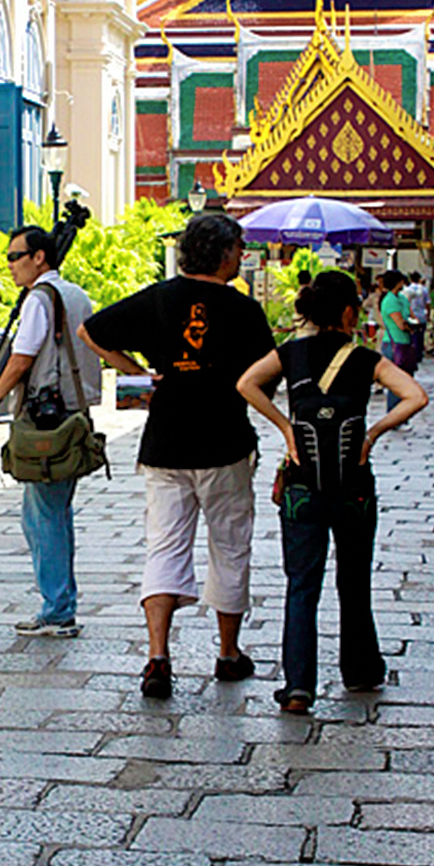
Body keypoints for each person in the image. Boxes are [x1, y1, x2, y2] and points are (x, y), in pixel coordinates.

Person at [79, 213, 276, 699]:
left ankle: (158, 656)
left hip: (166, 440)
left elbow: (90, 332)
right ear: (226, 253)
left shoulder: (157, 298)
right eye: (238, 249)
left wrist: (143, 374)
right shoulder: (243, 310)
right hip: (225, 440)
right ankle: (228, 654)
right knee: (230, 546)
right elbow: (268, 377)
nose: (241, 258)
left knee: (164, 546)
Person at [236, 271, 428, 715]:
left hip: (302, 486)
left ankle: (299, 685)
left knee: (302, 585)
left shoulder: (290, 353)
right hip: (354, 488)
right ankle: (360, 669)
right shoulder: (364, 358)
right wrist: (373, 433)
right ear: (347, 312)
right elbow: (415, 395)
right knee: (354, 580)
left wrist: (286, 428)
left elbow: (246, 384)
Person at [0, 226, 101, 637]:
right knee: (49, 512)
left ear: (39, 257)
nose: (10, 264)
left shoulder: (39, 299)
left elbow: (22, 357)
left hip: (48, 418)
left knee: (45, 515)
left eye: (15, 256)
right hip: (73, 412)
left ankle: (58, 608)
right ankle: (59, 601)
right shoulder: (77, 295)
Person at [378, 270, 419, 413]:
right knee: (396, 382)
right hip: (394, 343)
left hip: (405, 342)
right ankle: (394, 413)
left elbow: (412, 317)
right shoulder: (390, 300)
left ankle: (402, 413)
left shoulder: (401, 298)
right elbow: (401, 324)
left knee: (406, 379)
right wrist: (411, 324)